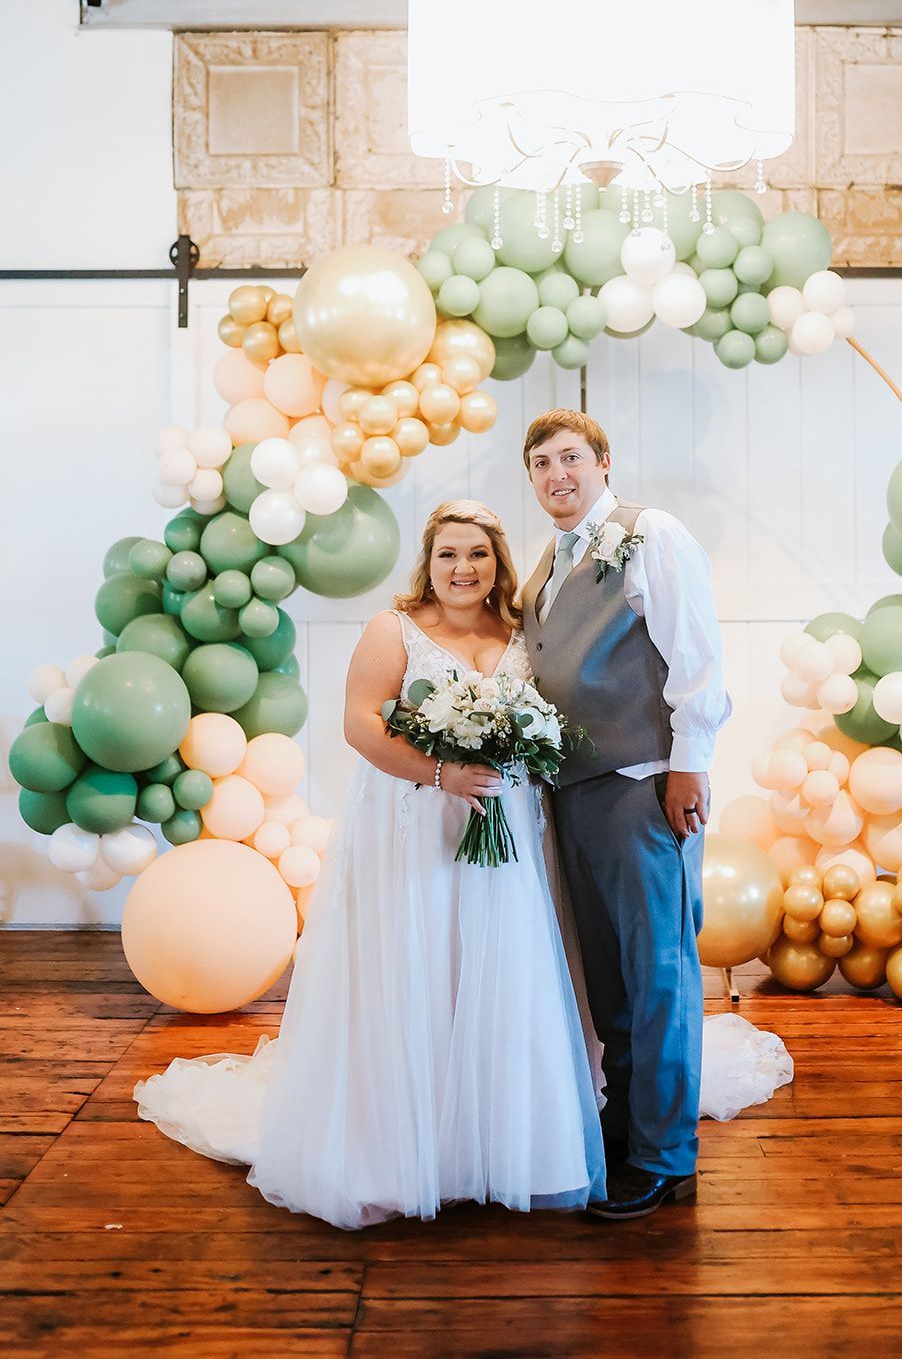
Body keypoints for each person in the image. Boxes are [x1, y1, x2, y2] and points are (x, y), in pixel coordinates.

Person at [134, 500, 606, 1230]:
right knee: (415, 966)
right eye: (448, 554)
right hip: (417, 819)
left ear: (497, 563)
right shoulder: (396, 628)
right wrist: (441, 775)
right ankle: (399, 1150)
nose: (462, 568)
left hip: (506, 820)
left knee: (500, 968)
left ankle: (502, 1143)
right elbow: (360, 723)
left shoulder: (518, 631)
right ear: (428, 561)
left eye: (476, 555)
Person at [522, 409, 732, 1220]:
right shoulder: (548, 562)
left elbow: (696, 656)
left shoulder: (652, 535)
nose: (555, 476)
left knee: (660, 977)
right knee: (607, 979)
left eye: (570, 458)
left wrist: (689, 765)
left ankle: (665, 1158)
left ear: (603, 461)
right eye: (540, 464)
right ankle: (623, 1129)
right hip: (573, 793)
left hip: (643, 785)